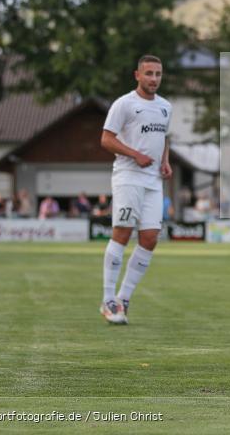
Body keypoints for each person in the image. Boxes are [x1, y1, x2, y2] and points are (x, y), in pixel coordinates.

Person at [98, 55, 172, 325]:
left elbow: (165, 138)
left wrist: (165, 162)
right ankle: (108, 300)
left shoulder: (165, 107)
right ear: (137, 75)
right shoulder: (124, 104)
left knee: (151, 238)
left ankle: (124, 299)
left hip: (153, 180)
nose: (154, 78)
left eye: (158, 74)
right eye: (149, 73)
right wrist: (135, 154)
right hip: (128, 176)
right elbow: (106, 138)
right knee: (122, 233)